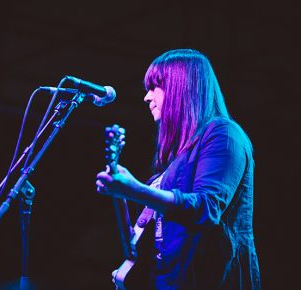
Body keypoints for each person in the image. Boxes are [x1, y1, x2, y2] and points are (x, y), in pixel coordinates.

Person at [96, 48, 261, 290]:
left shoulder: (224, 134)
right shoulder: (174, 162)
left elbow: (206, 207)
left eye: (154, 87)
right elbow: (147, 237)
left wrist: (135, 190)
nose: (147, 97)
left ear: (180, 87)